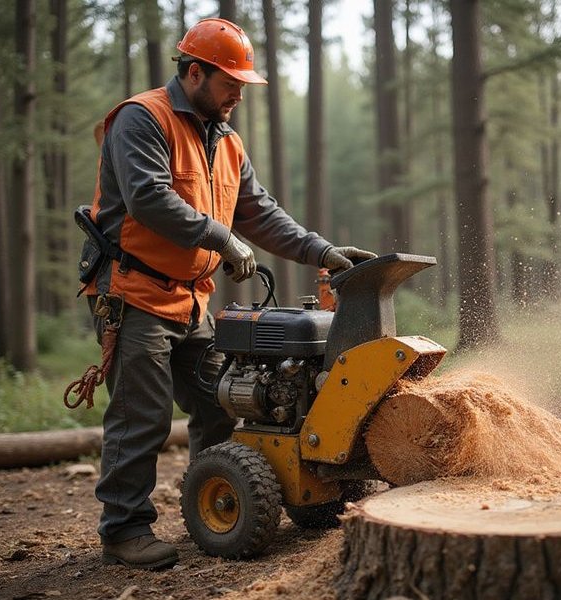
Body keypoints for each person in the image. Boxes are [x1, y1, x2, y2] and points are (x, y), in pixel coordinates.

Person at [79, 17, 375, 570]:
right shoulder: (142, 119)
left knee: (220, 405)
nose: (239, 94)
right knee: (140, 417)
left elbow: (259, 212)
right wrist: (221, 238)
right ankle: (123, 530)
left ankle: (214, 502)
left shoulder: (227, 141)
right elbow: (148, 198)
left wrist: (323, 251)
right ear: (195, 73)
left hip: (193, 300)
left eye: (244, 85)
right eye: (231, 83)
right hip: (135, 293)